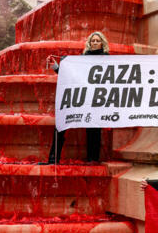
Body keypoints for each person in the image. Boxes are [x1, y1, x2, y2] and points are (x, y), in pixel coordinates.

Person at [40, 32, 110, 165]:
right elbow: (69, 75)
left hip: (96, 99)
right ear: (89, 43)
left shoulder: (108, 59)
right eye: (92, 41)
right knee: (61, 124)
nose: (95, 43)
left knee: (94, 129)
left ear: (102, 43)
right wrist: (55, 66)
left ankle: (93, 159)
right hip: (79, 98)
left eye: (97, 41)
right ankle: (53, 159)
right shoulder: (81, 59)